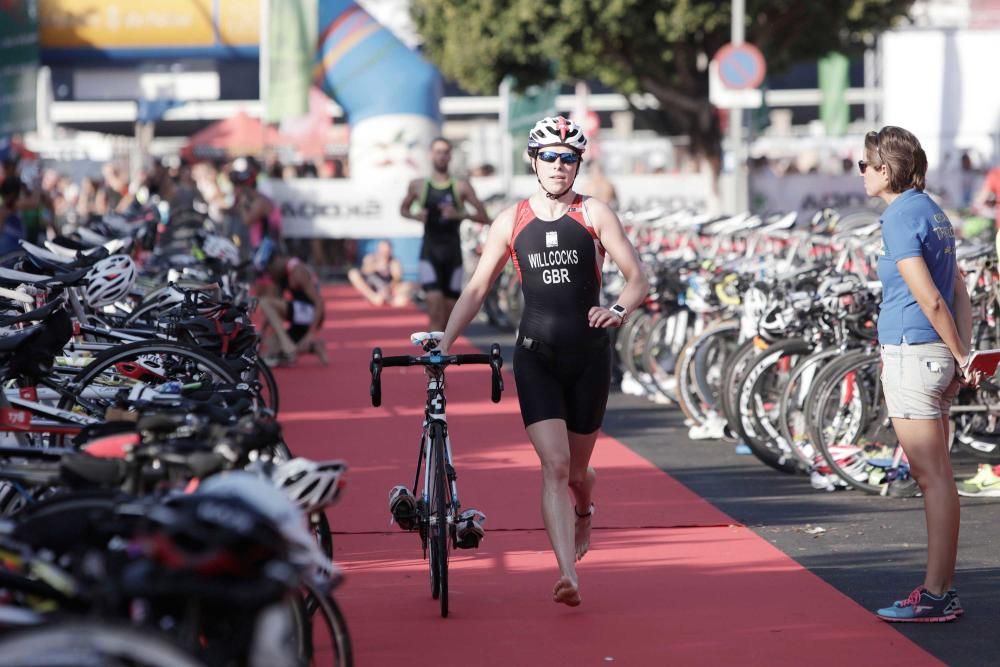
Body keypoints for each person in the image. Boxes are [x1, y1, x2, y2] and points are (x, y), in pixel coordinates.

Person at [434, 116, 647, 607]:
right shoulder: (511, 220)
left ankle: (585, 506)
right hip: (535, 357)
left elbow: (638, 278)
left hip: (590, 357)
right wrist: (444, 342)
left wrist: (617, 309)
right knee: (553, 466)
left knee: (576, 472)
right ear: (533, 161)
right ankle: (567, 572)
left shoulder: (595, 214)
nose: (558, 166)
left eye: (568, 158)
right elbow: (476, 287)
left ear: (578, 165)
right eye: (549, 157)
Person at [862, 126, 983, 623]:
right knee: (939, 478)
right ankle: (940, 589)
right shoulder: (931, 211)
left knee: (932, 478)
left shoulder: (899, 216)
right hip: (931, 351)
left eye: (866, 165)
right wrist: (962, 353)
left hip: (915, 352)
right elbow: (958, 289)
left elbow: (933, 296)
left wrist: (961, 355)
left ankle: (937, 594)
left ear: (886, 170)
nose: (862, 173)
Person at [399, 137, 490, 331]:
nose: (441, 156)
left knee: (449, 317)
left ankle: (443, 355)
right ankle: (433, 360)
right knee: (434, 310)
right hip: (430, 254)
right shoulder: (419, 185)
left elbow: (484, 216)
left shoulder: (461, 186)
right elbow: (403, 210)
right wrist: (417, 216)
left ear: (450, 156)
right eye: (438, 152)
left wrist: (459, 214)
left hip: (452, 257)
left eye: (445, 152)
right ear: (431, 155)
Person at [254, 238, 328, 366]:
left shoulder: (297, 271)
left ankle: (286, 343)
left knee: (265, 301)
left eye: (268, 269)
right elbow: (272, 313)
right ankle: (313, 347)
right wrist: (262, 334)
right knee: (270, 347)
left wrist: (310, 333)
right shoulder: (280, 274)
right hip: (298, 316)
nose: (269, 274)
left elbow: (319, 302)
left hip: (311, 314)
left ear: (276, 260)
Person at [347, 240, 411, 306]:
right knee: (353, 273)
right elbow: (364, 270)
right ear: (378, 249)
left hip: (387, 288)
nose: (385, 252)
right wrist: (376, 267)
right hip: (372, 287)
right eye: (383, 249)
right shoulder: (370, 258)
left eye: (387, 250)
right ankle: (373, 297)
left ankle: (388, 299)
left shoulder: (394, 262)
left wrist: (387, 289)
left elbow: (397, 279)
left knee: (406, 286)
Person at [0, 175, 25, 255]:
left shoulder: (11, 205)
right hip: (9, 249)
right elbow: (34, 202)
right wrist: (37, 184)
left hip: (13, 247)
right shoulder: (11, 205)